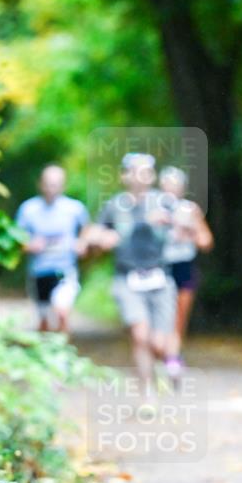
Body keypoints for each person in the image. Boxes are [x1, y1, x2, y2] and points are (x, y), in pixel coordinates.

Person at [86, 153, 176, 385]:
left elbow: (192, 225)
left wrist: (177, 223)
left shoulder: (165, 202)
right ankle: (147, 393)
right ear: (124, 176)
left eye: (147, 171)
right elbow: (94, 239)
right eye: (137, 170)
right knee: (139, 335)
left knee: (158, 343)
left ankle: (166, 363)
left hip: (160, 278)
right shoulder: (114, 206)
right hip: (127, 279)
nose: (143, 176)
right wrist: (100, 240)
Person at [15, 165, 89, 334]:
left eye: (56, 184)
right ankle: (47, 355)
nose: (51, 188)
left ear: (63, 185)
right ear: (40, 184)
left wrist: (82, 243)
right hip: (38, 273)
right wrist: (30, 245)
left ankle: (64, 354)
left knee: (61, 312)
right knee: (44, 321)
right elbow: (17, 240)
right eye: (48, 184)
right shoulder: (28, 209)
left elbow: (87, 229)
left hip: (65, 271)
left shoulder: (74, 209)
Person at [158, 166, 214, 380]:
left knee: (179, 315)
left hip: (183, 266)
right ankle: (163, 353)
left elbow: (206, 242)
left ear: (182, 188)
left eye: (176, 185)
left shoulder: (190, 210)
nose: (171, 189)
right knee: (161, 315)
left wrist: (189, 230)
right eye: (167, 185)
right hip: (160, 268)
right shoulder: (153, 208)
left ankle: (173, 357)